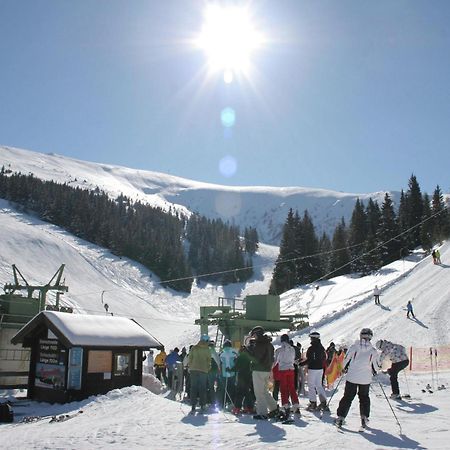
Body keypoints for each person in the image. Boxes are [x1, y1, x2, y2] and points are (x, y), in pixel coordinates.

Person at [335, 328, 380, 429]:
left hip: (352, 377)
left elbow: (346, 359)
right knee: (364, 397)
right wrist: (375, 371)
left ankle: (341, 417)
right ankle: (364, 417)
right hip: (365, 378)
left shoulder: (354, 347)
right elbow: (376, 366)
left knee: (348, 397)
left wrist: (343, 368)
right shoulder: (373, 350)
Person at [247, 326, 279, 420]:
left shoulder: (259, 344)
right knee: (265, 391)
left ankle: (262, 413)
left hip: (258, 370)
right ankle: (274, 408)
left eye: (254, 336)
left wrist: (248, 351)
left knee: (259, 392)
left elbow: (256, 358)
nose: (254, 338)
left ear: (257, 334)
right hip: (267, 370)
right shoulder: (269, 344)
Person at [274, 334, 300, 418]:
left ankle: (285, 405)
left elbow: (276, 361)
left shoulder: (279, 350)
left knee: (283, 388)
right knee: (291, 387)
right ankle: (296, 404)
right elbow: (293, 359)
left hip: (283, 370)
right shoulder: (292, 349)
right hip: (291, 369)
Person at [302, 331, 328, 411]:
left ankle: (313, 403)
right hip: (320, 369)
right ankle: (323, 402)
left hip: (313, 368)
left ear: (313, 338)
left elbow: (310, 359)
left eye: (311, 338)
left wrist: (301, 364)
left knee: (311, 386)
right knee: (319, 385)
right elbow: (324, 357)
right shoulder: (322, 348)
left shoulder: (311, 348)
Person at [188, 335, 211, 414]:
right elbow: (209, 360)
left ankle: (193, 405)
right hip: (203, 370)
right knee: (202, 388)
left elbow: (189, 358)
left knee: (193, 387)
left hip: (193, 370)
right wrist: (207, 368)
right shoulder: (207, 349)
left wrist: (190, 367)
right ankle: (202, 405)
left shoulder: (194, 348)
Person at [233, 345, 255, 415]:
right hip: (248, 377)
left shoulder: (239, 358)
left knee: (239, 393)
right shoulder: (249, 357)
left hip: (241, 377)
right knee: (247, 393)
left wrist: (229, 369)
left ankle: (237, 408)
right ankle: (249, 408)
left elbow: (236, 367)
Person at [219, 340, 238, 408]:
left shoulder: (221, 353)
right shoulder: (234, 353)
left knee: (223, 388)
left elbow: (220, 363)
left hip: (224, 373)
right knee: (232, 388)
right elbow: (237, 363)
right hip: (232, 373)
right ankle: (231, 402)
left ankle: (222, 403)